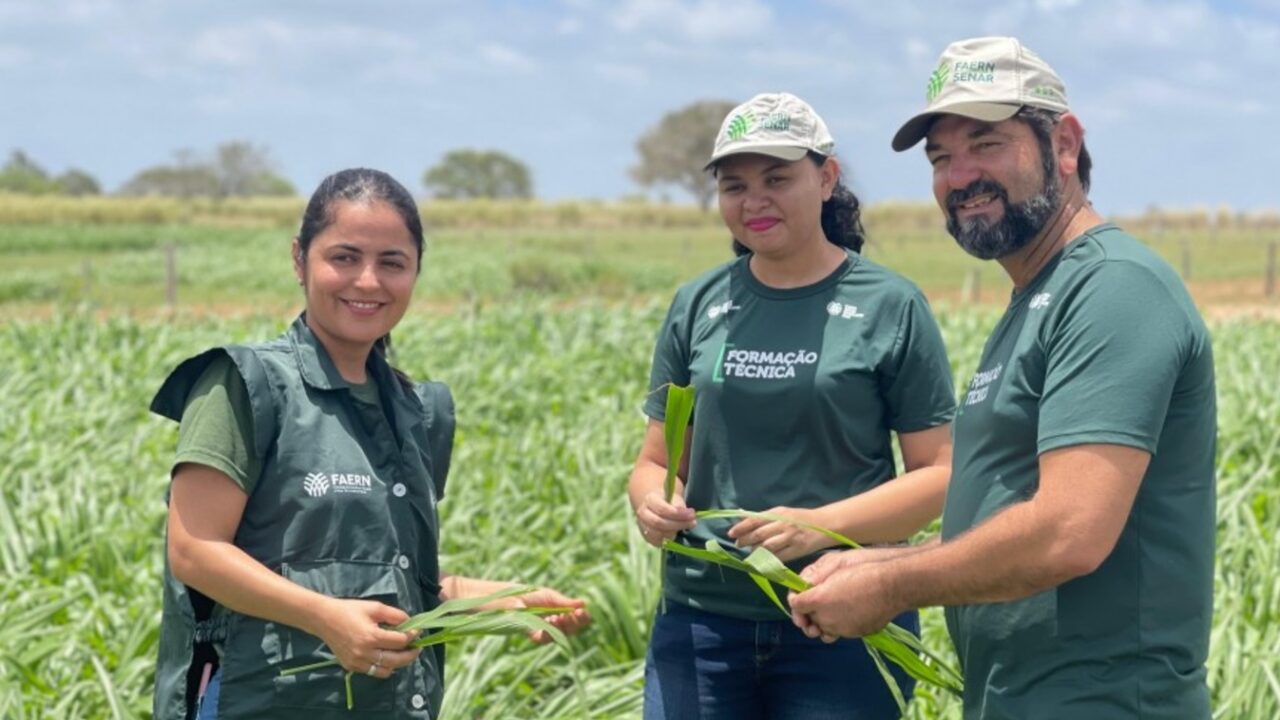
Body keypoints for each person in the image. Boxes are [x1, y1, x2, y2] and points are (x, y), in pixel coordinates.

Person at [789, 37, 1217, 719]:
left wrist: (895, 584)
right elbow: (1010, 515)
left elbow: (1068, 528)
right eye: (940, 158)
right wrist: (880, 563)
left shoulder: (1114, 289)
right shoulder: (1037, 298)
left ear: (1065, 146)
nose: (960, 176)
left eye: (985, 144)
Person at [150, 168, 590, 719]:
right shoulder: (244, 383)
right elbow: (194, 550)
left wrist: (505, 603)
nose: (367, 281)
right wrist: (323, 617)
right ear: (298, 259)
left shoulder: (416, 410)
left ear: (415, 273)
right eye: (344, 257)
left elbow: (401, 588)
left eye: (392, 263)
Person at [629, 92, 957, 719]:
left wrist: (819, 525)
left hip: (838, 619)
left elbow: (940, 475)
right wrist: (650, 503)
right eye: (735, 185)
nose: (754, 201)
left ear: (827, 178)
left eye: (778, 178)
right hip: (700, 623)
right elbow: (653, 461)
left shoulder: (890, 304)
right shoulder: (697, 305)